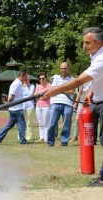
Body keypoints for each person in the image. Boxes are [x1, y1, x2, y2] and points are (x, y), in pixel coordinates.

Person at [43, 27, 103, 186]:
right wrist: (91, 91)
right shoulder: (95, 56)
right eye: (84, 42)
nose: (84, 46)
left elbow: (78, 81)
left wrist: (54, 90)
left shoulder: (101, 58)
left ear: (99, 42)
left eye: (87, 43)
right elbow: (97, 79)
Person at [0, 71, 28, 144]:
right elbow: (11, 97)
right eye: (25, 76)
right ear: (22, 75)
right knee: (22, 125)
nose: (26, 78)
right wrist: (9, 103)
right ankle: (22, 141)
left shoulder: (18, 83)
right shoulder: (17, 84)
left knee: (10, 124)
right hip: (17, 109)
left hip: (14, 108)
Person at [46, 62, 74, 147]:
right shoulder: (55, 77)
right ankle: (50, 142)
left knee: (67, 123)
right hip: (55, 102)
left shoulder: (72, 79)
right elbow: (52, 90)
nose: (63, 70)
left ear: (68, 69)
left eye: (65, 68)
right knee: (51, 123)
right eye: (62, 68)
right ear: (60, 69)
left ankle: (64, 141)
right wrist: (65, 89)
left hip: (68, 103)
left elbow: (71, 91)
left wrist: (59, 89)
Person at [34, 73, 51, 142]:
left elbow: (48, 96)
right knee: (40, 122)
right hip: (38, 106)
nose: (41, 80)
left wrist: (40, 97)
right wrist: (42, 97)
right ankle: (41, 137)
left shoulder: (49, 86)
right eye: (40, 78)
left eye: (43, 78)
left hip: (46, 106)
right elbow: (35, 95)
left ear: (46, 78)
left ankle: (46, 137)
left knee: (46, 122)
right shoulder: (38, 86)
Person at [22, 73, 35, 140]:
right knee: (21, 122)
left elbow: (30, 95)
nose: (27, 80)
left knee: (29, 122)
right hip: (22, 106)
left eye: (28, 79)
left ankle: (29, 137)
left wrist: (26, 87)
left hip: (30, 106)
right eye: (26, 79)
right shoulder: (20, 86)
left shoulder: (32, 86)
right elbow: (20, 96)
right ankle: (21, 136)